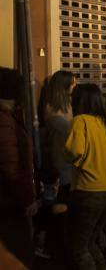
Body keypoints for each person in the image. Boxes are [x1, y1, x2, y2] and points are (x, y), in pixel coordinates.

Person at [65, 83, 106, 270]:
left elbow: (74, 151)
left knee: (79, 248)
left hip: (89, 189)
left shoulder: (80, 121)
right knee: (91, 242)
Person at [0, 67, 36, 268]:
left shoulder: (9, 116)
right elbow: (9, 165)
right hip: (9, 203)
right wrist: (26, 198)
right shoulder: (4, 120)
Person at [38, 70, 75, 261]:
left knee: (64, 202)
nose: (75, 85)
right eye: (72, 82)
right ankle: (52, 245)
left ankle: (55, 244)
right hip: (59, 160)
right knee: (59, 202)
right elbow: (62, 129)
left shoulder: (67, 104)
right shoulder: (52, 108)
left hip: (67, 160)